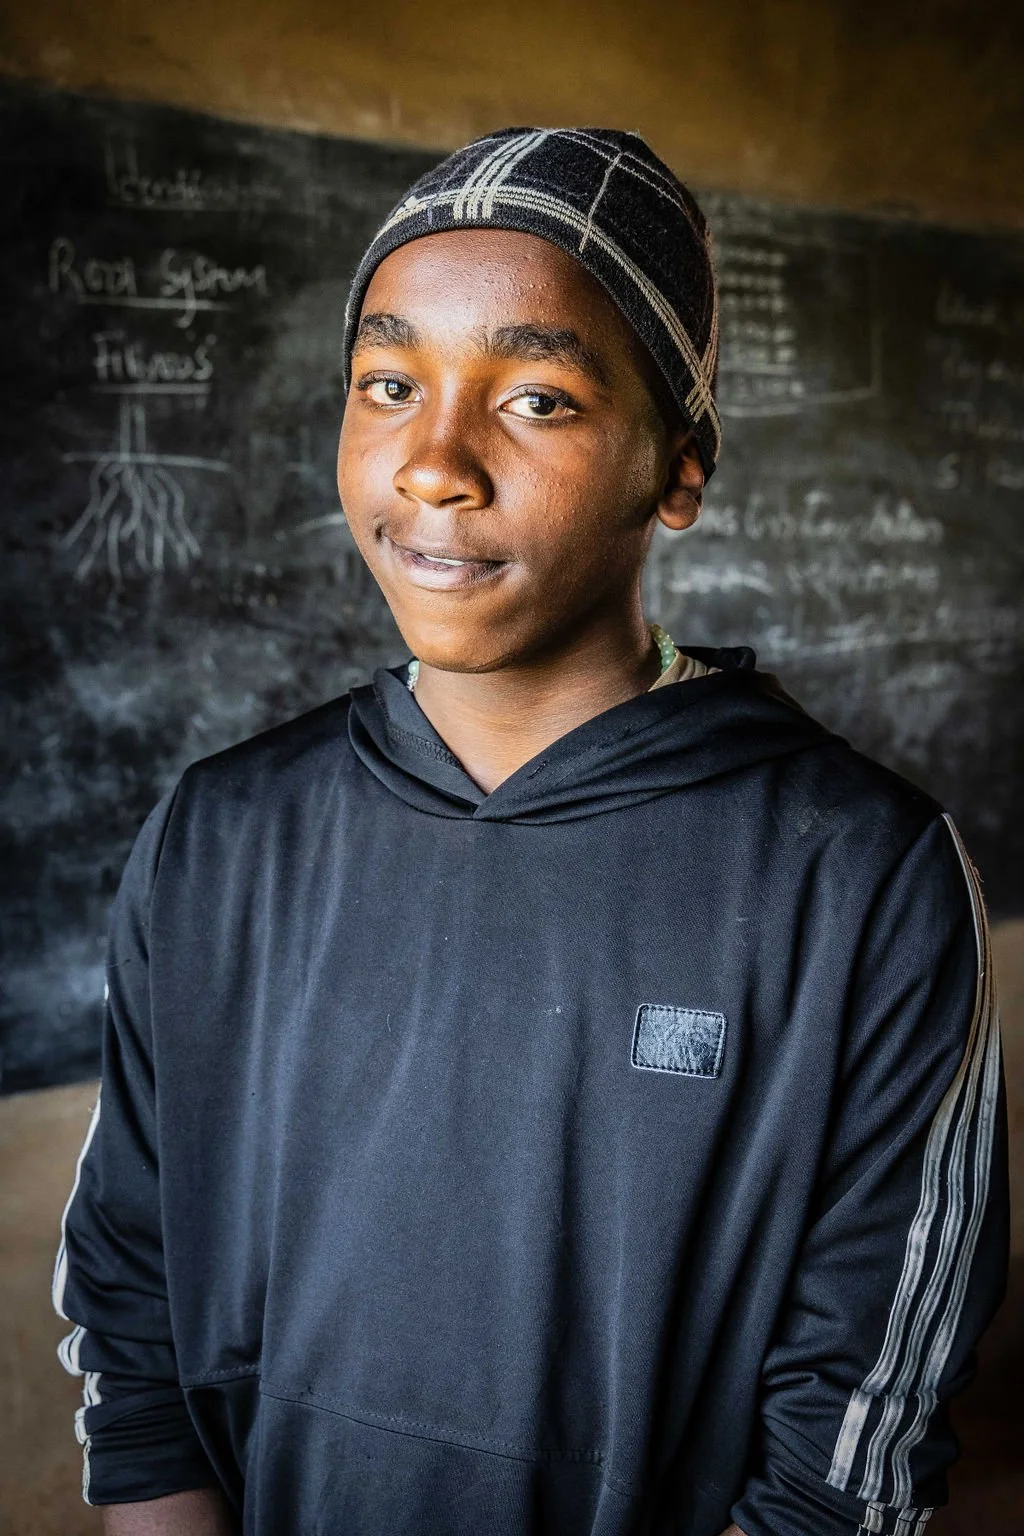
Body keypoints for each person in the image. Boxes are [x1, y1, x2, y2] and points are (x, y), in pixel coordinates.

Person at [54, 128, 1007, 1536]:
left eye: (540, 400)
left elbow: (851, 1445)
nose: (434, 463)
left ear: (675, 471)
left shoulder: (858, 877)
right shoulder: (223, 837)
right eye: (390, 384)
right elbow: (135, 1317)